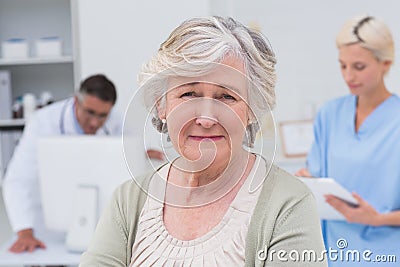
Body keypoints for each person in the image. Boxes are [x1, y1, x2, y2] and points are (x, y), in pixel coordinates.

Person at [80, 16, 327, 266]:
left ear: (252, 110)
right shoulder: (128, 200)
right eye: (189, 94)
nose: (206, 118)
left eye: (226, 97)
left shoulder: (288, 206)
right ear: (161, 105)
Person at [296, 15, 400, 266]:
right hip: (332, 252)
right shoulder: (329, 114)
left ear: (385, 63)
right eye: (343, 65)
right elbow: (319, 180)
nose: (348, 76)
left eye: (359, 67)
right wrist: (307, 182)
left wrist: (377, 219)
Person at [3, 74, 145, 254]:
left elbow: (130, 158)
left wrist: (142, 154)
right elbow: (18, 180)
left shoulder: (116, 121)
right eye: (90, 112)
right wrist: (24, 232)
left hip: (97, 227)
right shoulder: (43, 122)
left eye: (103, 115)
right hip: (46, 230)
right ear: (76, 101)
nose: (95, 122)